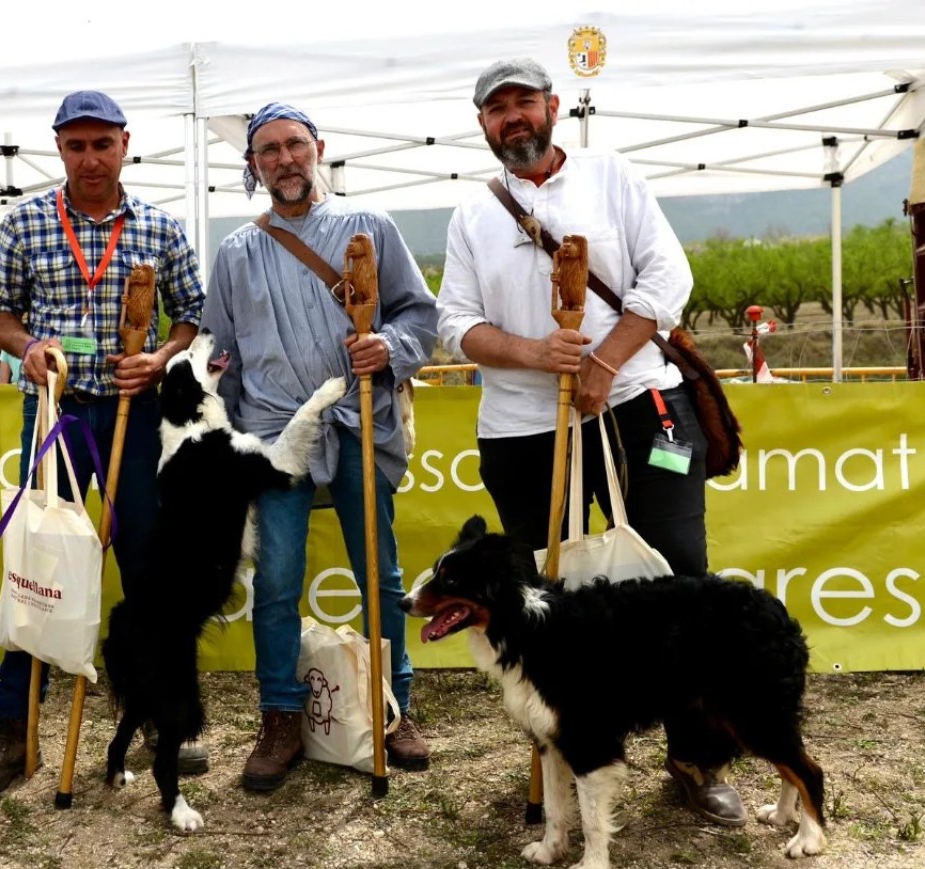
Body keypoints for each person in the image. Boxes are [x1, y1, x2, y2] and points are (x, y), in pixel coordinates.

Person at [436, 58, 746, 827]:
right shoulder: (474, 215)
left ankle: (695, 758)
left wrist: (607, 362)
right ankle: (562, 760)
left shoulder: (613, 176)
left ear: (552, 109)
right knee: (547, 599)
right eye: (497, 108)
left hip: (640, 403)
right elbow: (455, 325)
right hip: (522, 426)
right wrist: (533, 354)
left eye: (524, 103)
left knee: (679, 577)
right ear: (482, 124)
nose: (514, 118)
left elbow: (667, 279)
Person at [0, 89, 207, 802]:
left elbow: (190, 313)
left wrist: (159, 358)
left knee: (149, 572)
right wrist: (28, 347)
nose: (89, 158)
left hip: (137, 412)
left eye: (102, 143)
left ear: (126, 144)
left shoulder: (160, 227)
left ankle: (157, 717)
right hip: (56, 417)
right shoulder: (26, 222)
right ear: (59, 148)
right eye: (75, 145)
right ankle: (14, 729)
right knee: (38, 563)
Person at [202, 102, 438, 792]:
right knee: (275, 584)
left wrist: (386, 347)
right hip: (277, 436)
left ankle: (392, 708)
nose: (284, 159)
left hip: (363, 421)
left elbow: (419, 316)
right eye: (268, 150)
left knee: (381, 575)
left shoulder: (371, 228)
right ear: (253, 166)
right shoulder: (237, 252)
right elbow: (222, 357)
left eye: (294, 145)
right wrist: (228, 440)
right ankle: (280, 716)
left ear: (319, 149)